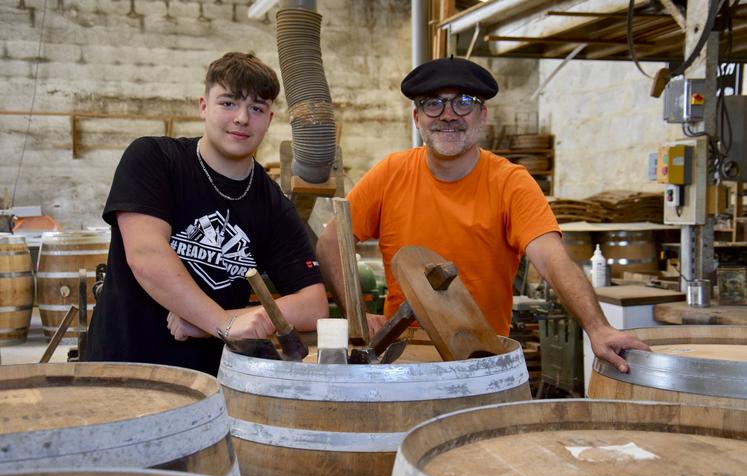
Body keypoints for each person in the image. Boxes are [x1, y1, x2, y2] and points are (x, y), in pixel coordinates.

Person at [316, 56, 648, 373]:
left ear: (482, 115)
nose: (448, 114)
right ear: (417, 119)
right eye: (433, 103)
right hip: (404, 358)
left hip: (482, 358)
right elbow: (331, 241)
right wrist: (357, 316)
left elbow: (551, 259)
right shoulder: (391, 174)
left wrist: (598, 327)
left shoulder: (510, 182)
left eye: (463, 102)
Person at [84, 52, 328, 375]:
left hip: (209, 387)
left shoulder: (273, 205)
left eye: (256, 108)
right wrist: (223, 322)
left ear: (269, 120)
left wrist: (218, 321)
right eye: (228, 103)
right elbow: (146, 256)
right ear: (203, 106)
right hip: (123, 374)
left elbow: (313, 304)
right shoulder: (154, 159)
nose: (242, 118)